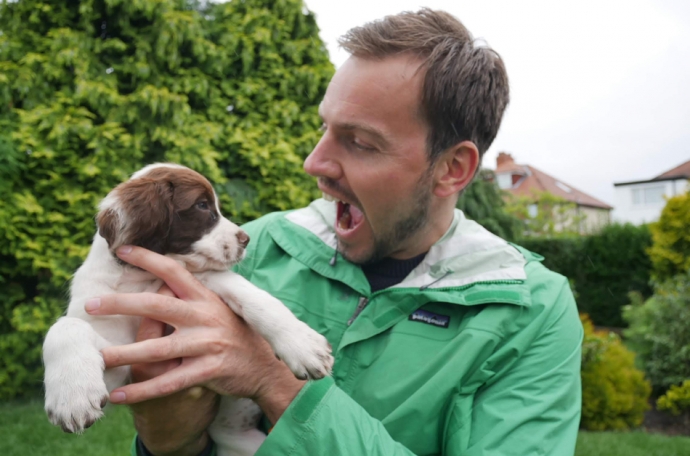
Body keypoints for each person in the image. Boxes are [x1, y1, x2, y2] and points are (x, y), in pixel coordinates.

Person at [92, 8, 583, 456]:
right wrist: (166, 435)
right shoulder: (257, 249)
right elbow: (170, 437)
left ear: (452, 169)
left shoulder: (532, 312)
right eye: (324, 128)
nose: (314, 163)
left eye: (360, 142)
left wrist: (273, 381)